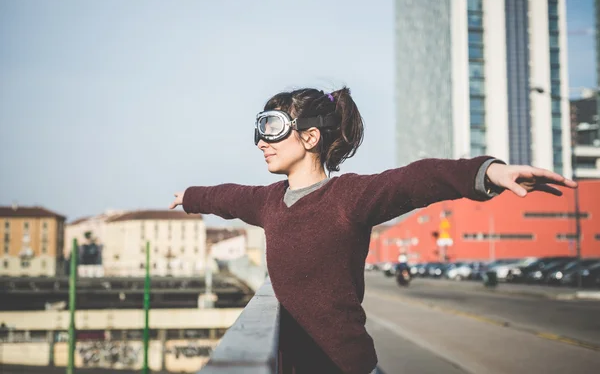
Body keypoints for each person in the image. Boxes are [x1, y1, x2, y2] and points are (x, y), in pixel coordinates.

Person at [169, 87, 577, 374]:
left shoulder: (350, 196)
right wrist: (190, 195)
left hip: (344, 365)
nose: (261, 141)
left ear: (310, 136)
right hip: (293, 362)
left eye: (272, 127)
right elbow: (226, 197)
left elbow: (418, 179)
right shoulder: (267, 201)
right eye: (259, 128)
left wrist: (489, 171)